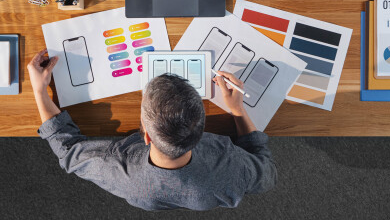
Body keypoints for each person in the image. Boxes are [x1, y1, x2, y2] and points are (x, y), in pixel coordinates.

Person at [27, 49, 277, 210]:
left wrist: (40, 91)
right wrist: (237, 111)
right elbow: (267, 174)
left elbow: (68, 150)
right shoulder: (232, 168)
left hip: (146, 195)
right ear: (201, 132)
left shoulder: (117, 170)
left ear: (145, 135)